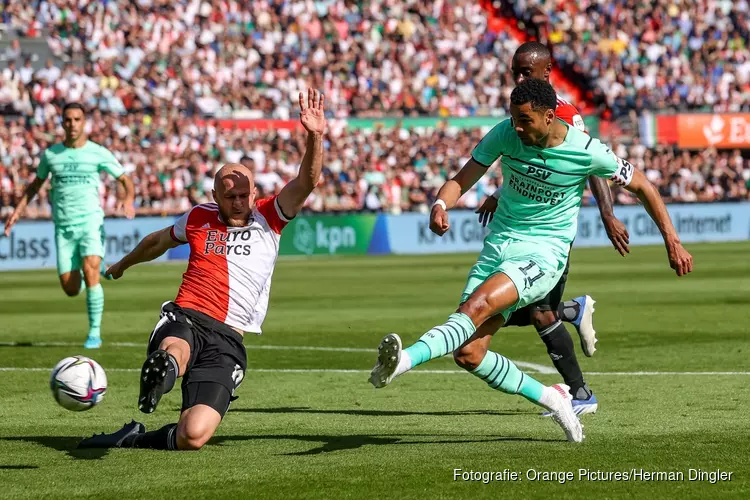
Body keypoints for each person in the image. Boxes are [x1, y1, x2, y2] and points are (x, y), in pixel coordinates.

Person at [369, 79, 693, 443]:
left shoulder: (586, 150)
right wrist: (441, 204)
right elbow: (462, 179)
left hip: (544, 253)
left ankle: (403, 361)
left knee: (478, 305)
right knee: (469, 353)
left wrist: (672, 242)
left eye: (525, 121)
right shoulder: (506, 133)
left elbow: (645, 187)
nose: (518, 128)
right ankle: (553, 398)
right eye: (514, 120)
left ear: (550, 115)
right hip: (499, 246)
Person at [78, 89, 326, 451]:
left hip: (228, 338)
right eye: (230, 197)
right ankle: (162, 372)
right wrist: (123, 264)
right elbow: (158, 241)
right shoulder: (198, 217)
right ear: (215, 195)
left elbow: (308, 180)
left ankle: (132, 437)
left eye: (244, 195)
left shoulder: (271, 217)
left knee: (193, 436)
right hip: (187, 316)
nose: (239, 202)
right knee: (173, 351)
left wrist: (315, 135)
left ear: (255, 193)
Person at [474, 41, 629, 414]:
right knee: (514, 312)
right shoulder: (523, 107)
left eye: (526, 72)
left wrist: (607, 214)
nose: (519, 78)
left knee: (536, 312)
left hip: (551, 231)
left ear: (547, 72)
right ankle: (572, 315)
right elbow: (529, 163)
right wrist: (499, 191)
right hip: (525, 226)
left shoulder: (565, 114)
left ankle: (580, 395)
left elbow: (588, 162)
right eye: (515, 71)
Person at [3, 102, 135, 349]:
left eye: (77, 119)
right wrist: (17, 212)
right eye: (68, 120)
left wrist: (127, 200)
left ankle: (94, 333)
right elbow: (35, 186)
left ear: (84, 122)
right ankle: (86, 277)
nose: (72, 124)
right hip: (63, 227)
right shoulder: (51, 155)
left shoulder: (97, 152)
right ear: (62, 123)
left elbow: (125, 179)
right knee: (70, 288)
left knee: (92, 268)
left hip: (90, 222)